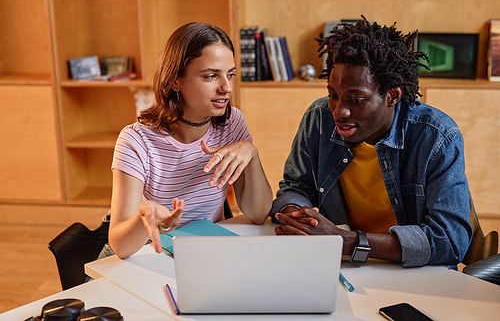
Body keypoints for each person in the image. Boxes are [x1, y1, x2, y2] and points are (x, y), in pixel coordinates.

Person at [271, 17, 473, 267]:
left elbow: (451, 242)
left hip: (416, 274)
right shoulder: (318, 118)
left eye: (356, 100)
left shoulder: (437, 137)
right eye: (333, 95)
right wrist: (297, 216)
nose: (339, 112)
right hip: (342, 265)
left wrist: (349, 241)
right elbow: (296, 186)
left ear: (393, 95)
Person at [107, 22, 272, 259]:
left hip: (211, 252)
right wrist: (145, 218)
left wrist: (251, 153)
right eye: (211, 76)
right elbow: (120, 246)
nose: (226, 88)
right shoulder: (136, 140)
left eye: (230, 75)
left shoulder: (232, 123)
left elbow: (258, 214)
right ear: (175, 80)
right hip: (155, 254)